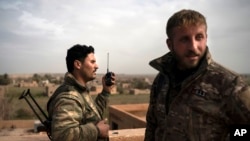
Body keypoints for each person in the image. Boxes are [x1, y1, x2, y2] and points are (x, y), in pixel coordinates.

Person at [144, 9, 250, 141]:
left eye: (199, 37)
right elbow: (152, 126)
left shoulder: (229, 84)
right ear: (170, 44)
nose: (193, 47)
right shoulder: (162, 80)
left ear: (206, 38)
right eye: (184, 39)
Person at [47, 44, 115, 141]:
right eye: (92, 62)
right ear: (78, 64)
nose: (97, 66)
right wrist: (97, 130)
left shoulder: (79, 90)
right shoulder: (69, 97)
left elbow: (91, 115)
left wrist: (105, 92)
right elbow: (63, 135)